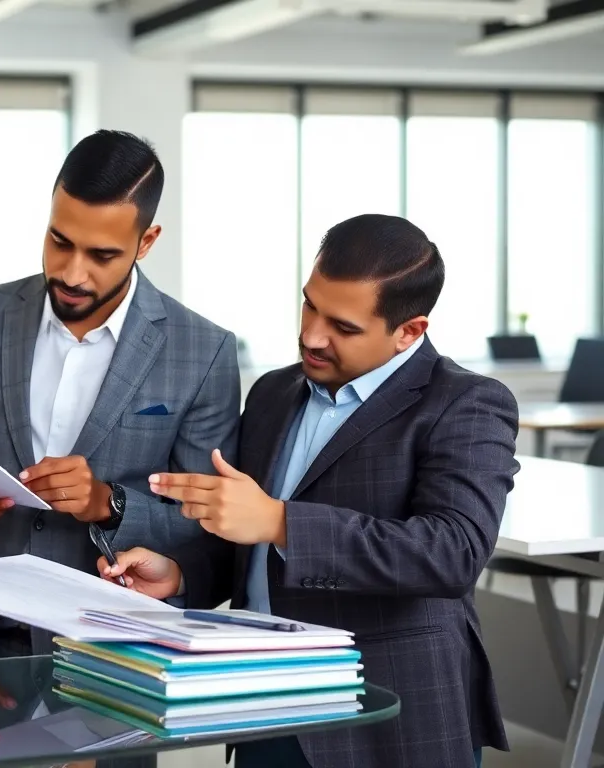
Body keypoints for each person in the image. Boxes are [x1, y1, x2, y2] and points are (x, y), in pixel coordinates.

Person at [99, 214, 517, 768]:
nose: (313, 335)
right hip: (263, 703)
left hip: (390, 716)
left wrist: (280, 521)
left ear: (409, 331)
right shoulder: (276, 391)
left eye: (343, 327)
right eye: (310, 305)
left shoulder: (466, 402)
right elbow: (254, 547)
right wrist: (181, 574)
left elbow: (451, 552)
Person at [0, 129, 241, 664]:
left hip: (113, 649)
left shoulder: (202, 351)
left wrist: (108, 503)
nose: (72, 273)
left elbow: (208, 524)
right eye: (60, 241)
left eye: (101, 254)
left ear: (146, 242)